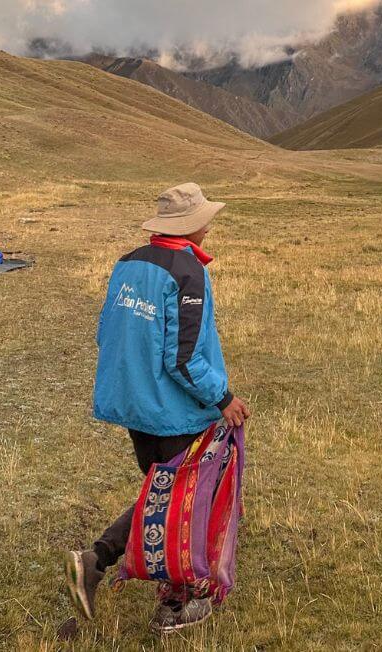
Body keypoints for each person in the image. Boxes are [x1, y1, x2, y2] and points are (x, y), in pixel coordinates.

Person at [64, 182, 251, 634]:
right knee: (183, 501)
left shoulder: (128, 263)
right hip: (171, 408)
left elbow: (107, 331)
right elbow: (182, 357)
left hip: (133, 402)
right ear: (194, 226)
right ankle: (165, 600)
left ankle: (101, 563)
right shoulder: (188, 273)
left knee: (161, 494)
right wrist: (222, 399)